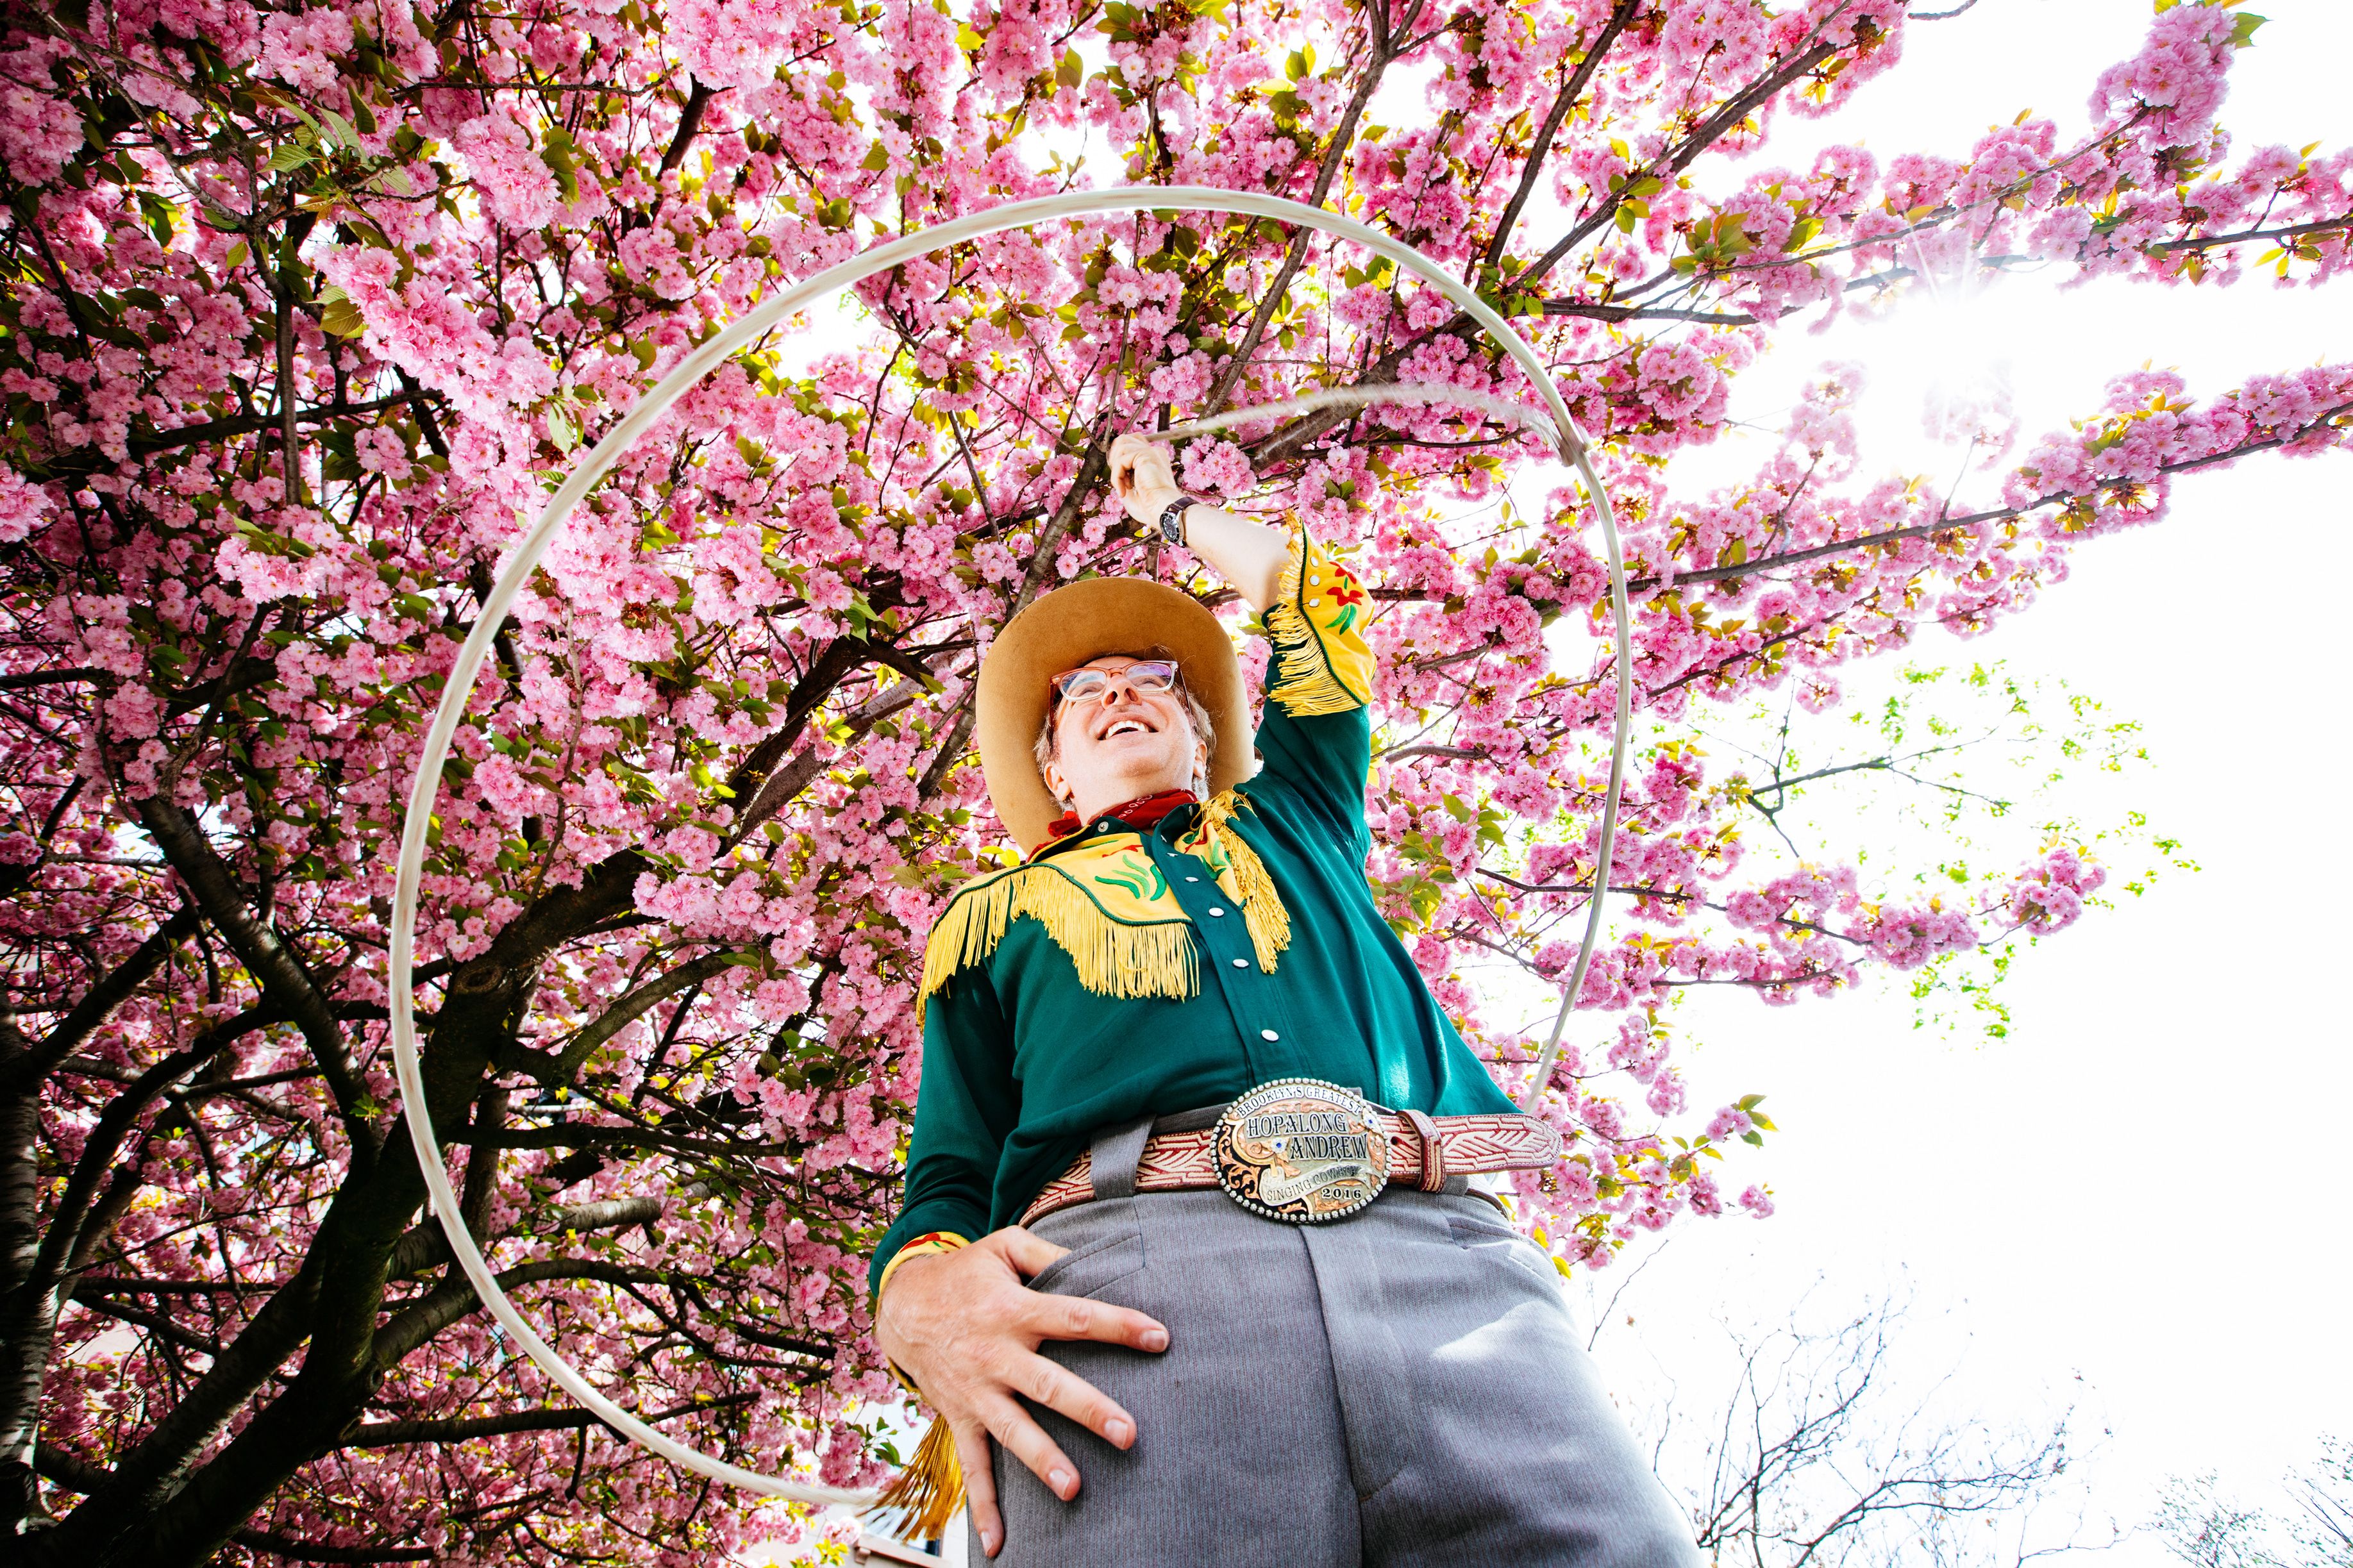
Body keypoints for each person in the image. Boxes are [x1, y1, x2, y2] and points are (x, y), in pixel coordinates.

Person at [868, 433, 1696, 1565]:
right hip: (1123, 1289)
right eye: (1079, 692)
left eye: (1153, 680)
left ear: (1208, 739)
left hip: (1441, 1255)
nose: (1118, 690)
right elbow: (951, 1170)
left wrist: (1167, 509)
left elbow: (1316, 596)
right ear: (1054, 766)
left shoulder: (1299, 818)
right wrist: (915, 1301)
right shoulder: (988, 919)